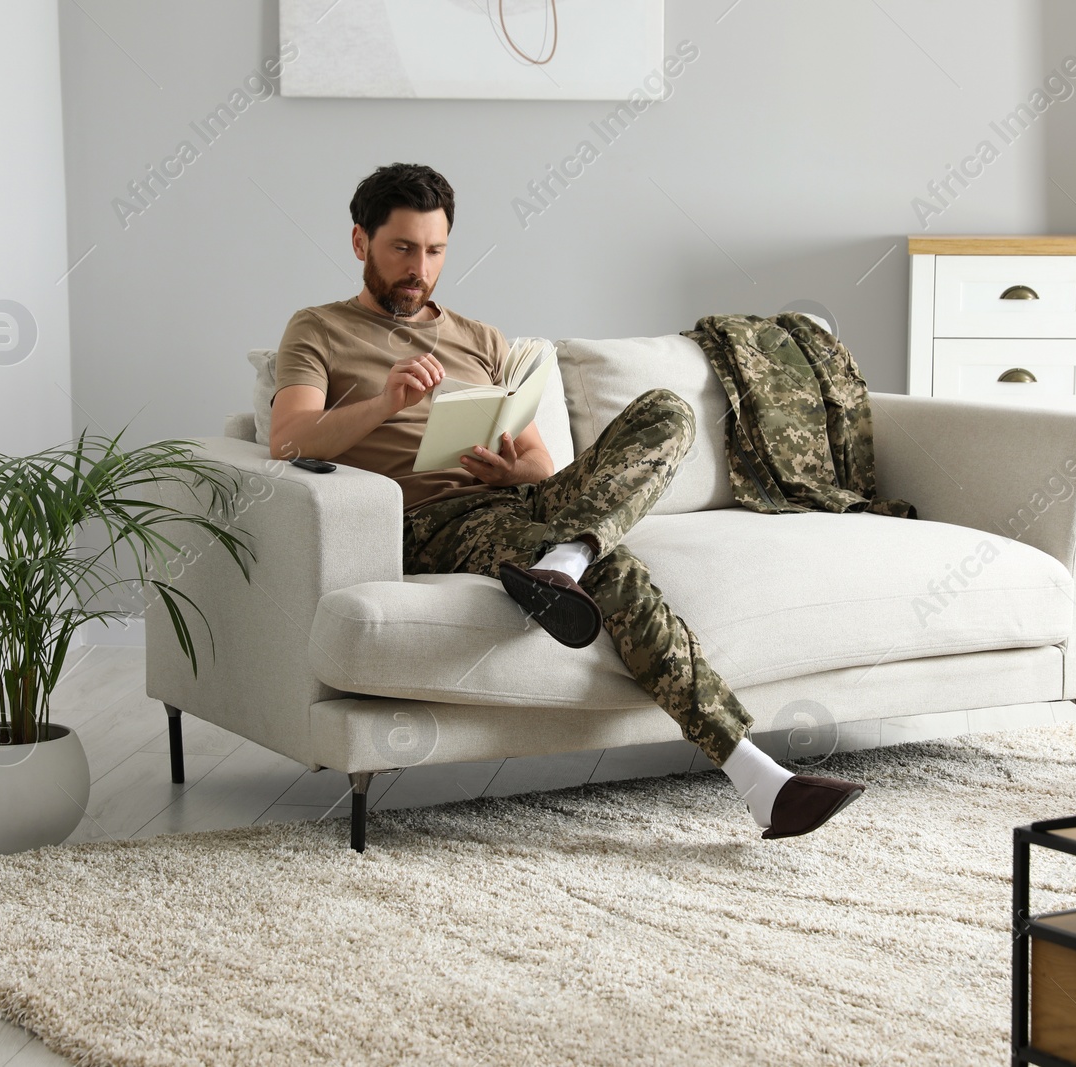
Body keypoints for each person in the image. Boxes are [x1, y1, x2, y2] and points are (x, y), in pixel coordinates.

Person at [269, 162, 865, 839]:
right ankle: (758, 775)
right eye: (403, 248)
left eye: (435, 251)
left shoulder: (480, 339)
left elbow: (538, 463)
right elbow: (287, 441)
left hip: (516, 499)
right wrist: (385, 403)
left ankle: (572, 554)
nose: (420, 268)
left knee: (667, 411)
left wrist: (506, 470)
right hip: (430, 521)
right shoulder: (317, 330)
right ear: (359, 243)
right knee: (619, 574)